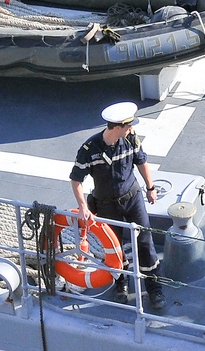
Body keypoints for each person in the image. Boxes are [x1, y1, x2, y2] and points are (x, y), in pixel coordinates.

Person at [69, 102, 166, 311]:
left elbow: (141, 162)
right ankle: (121, 283)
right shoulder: (89, 149)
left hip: (132, 199)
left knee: (145, 242)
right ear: (118, 126)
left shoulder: (131, 139)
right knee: (114, 247)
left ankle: (153, 286)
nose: (131, 128)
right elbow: (76, 179)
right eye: (128, 125)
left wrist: (151, 188)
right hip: (106, 204)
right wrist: (83, 207)